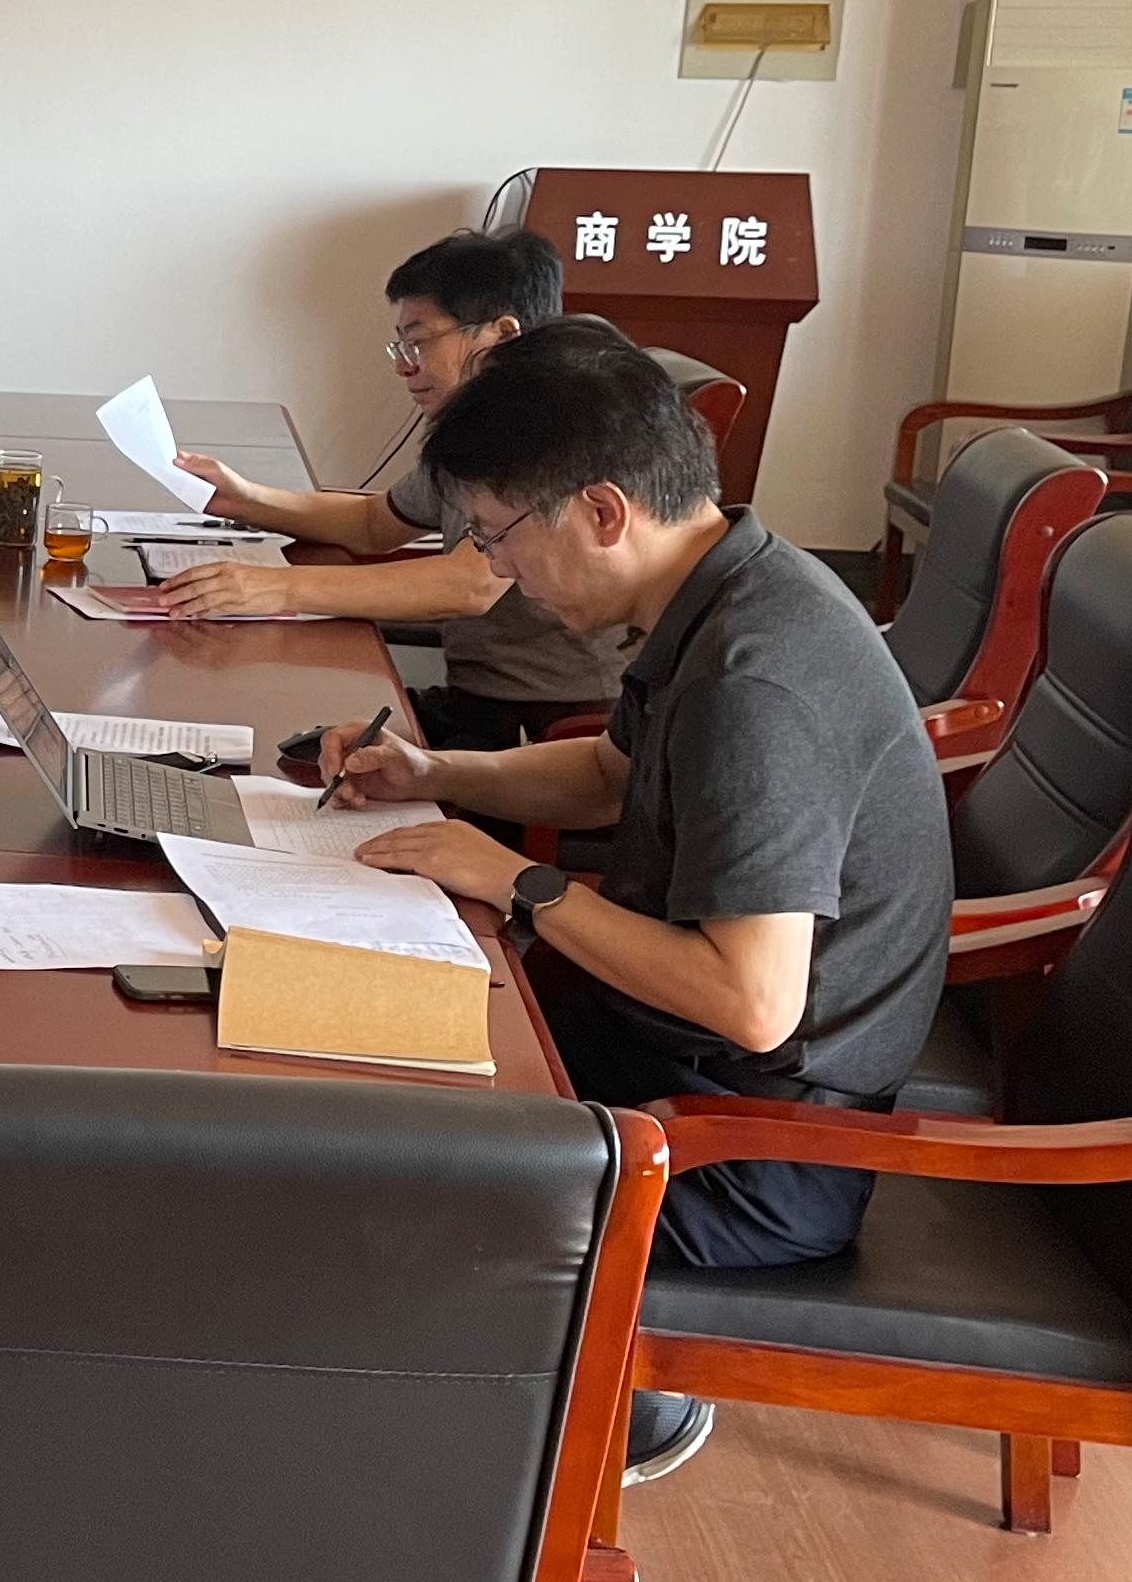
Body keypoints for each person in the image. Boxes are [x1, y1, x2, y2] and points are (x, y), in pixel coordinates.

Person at [307, 323, 950, 1485]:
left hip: (751, 1149)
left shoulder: (757, 681)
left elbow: (753, 1002)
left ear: (603, 512)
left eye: (500, 534)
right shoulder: (723, 585)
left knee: (390, 1185)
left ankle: (618, 1410)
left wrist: (521, 879)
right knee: (357, 1060)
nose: (500, 570)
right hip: (668, 1056)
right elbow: (612, 774)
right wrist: (438, 775)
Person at [161, 229, 632, 747]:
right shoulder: (477, 427)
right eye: (400, 345)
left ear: (501, 334)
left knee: (288, 740)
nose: (404, 366)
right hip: (480, 701)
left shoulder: (551, 428)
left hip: (554, 724)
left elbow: (470, 585)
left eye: (419, 342)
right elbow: (374, 524)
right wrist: (246, 498)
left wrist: (273, 588)